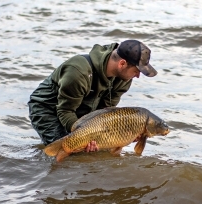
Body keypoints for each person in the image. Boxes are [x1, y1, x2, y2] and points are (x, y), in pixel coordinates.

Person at [28, 39, 158, 152]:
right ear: (122, 64)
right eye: (136, 71)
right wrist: (83, 136)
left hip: (82, 109)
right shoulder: (78, 72)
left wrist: (124, 136)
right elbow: (65, 111)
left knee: (98, 152)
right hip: (48, 109)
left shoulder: (124, 80)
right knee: (66, 152)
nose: (137, 76)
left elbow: (104, 113)